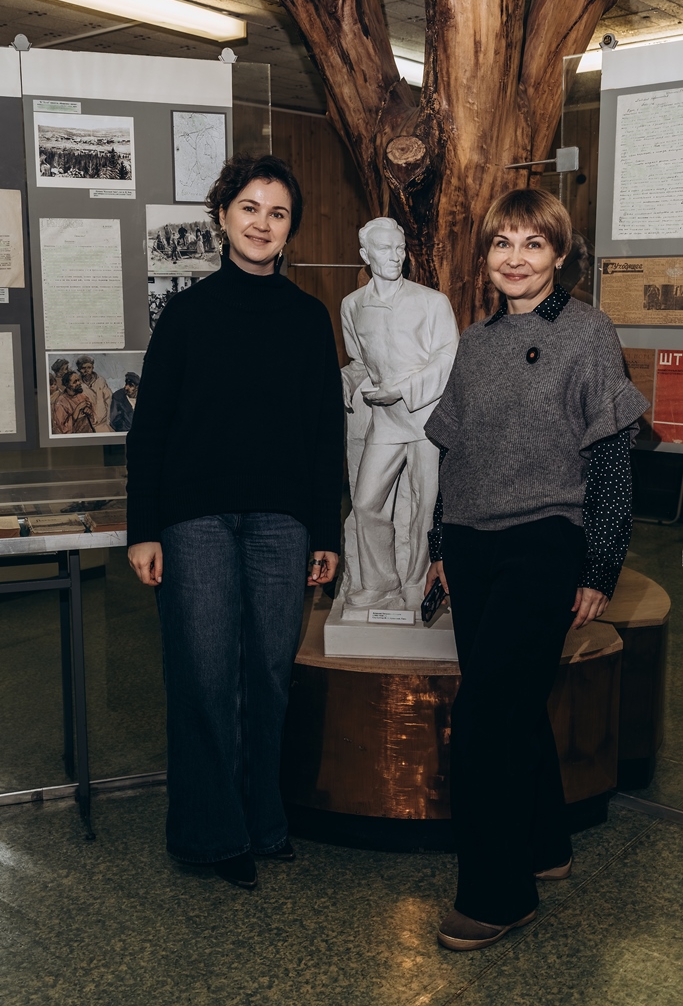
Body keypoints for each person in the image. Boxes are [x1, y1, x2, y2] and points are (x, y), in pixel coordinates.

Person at [424, 189, 649, 953]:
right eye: (501, 243)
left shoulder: (587, 332)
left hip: (544, 542)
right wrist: (437, 545)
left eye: (531, 244)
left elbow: (610, 462)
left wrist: (599, 566)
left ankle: (497, 896)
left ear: (558, 255)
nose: (514, 259)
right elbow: (453, 452)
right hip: (470, 544)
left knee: (483, 720)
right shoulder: (475, 341)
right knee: (513, 706)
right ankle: (544, 844)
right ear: (485, 256)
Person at [126, 154, 344, 891]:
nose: (261, 223)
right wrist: (143, 529)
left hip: (282, 523)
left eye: (277, 213)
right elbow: (150, 429)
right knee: (205, 676)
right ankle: (209, 834)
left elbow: (326, 433)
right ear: (223, 217)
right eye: (249, 207)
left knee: (270, 676)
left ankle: (262, 820)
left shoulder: (308, 319)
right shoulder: (187, 314)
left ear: (289, 230)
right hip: (195, 521)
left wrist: (326, 533)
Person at [340, 217, 458, 612]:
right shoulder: (352, 306)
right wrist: (342, 381)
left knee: (425, 508)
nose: (395, 257)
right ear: (365, 255)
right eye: (384, 249)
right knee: (365, 502)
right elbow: (360, 362)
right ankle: (378, 583)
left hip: (428, 421)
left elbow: (448, 358)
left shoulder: (432, 302)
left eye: (399, 248)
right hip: (386, 423)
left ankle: (416, 584)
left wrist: (403, 390)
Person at [77, 355, 113, 431]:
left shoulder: (100, 381)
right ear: (79, 370)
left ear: (92, 367)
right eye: (83, 368)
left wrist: (108, 421)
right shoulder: (78, 384)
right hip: (88, 424)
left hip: (103, 423)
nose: (86, 370)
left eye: (89, 367)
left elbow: (109, 400)